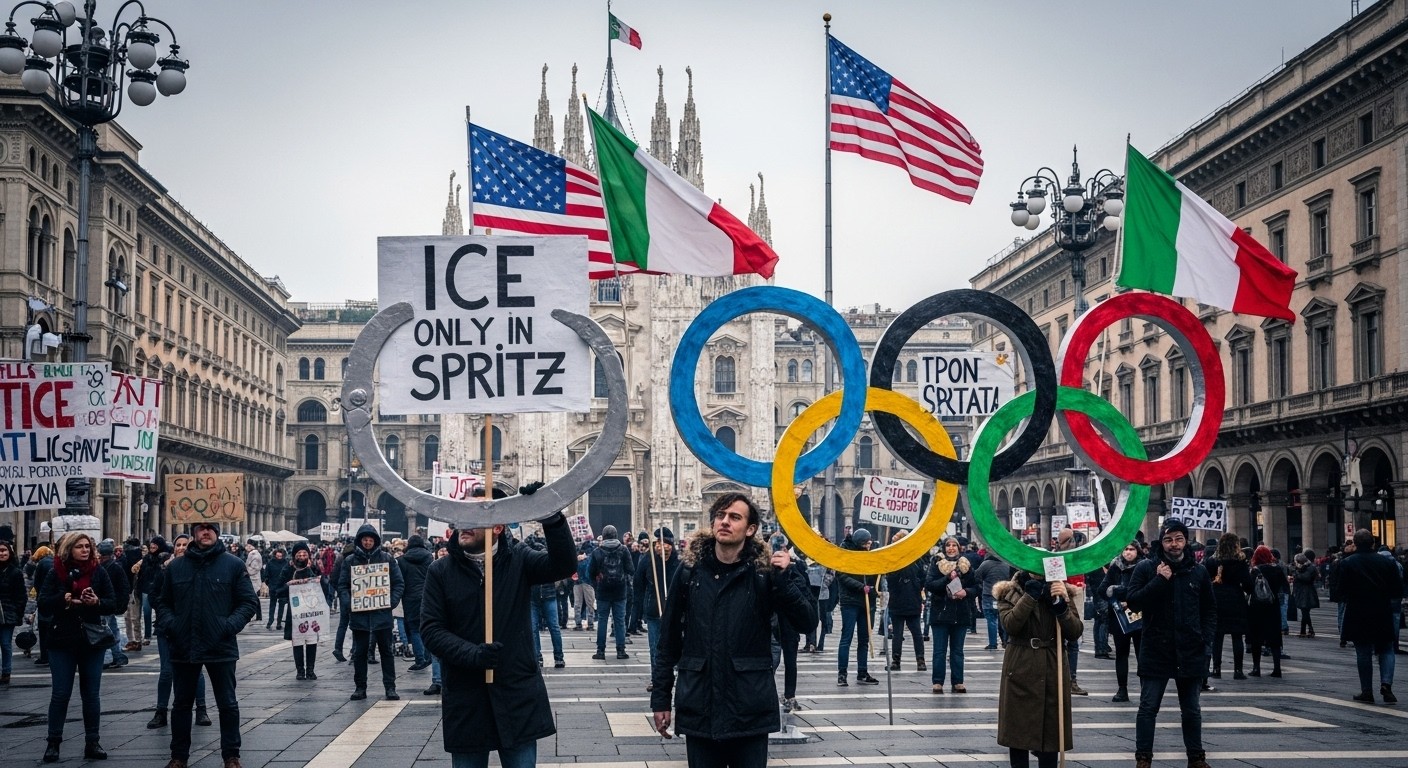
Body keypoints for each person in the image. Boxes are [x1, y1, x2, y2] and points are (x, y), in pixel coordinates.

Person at [650, 492, 816, 768]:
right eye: (720, 515)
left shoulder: (766, 573)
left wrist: (785, 580)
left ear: (750, 529)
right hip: (700, 706)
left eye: (734, 517)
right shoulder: (690, 571)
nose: (724, 522)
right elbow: (667, 642)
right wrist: (661, 699)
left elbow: (807, 622)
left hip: (748, 708)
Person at [420, 485, 578, 767]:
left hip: (516, 692)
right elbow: (431, 631)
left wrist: (550, 515)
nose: (463, 523)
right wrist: (473, 654)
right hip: (466, 696)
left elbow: (563, 565)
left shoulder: (519, 558)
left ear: (498, 526)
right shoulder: (440, 571)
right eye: (461, 513)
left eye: (475, 514)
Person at [156, 522, 258, 768]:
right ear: (193, 533)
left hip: (220, 645)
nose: (205, 532)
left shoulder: (233, 565)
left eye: (210, 528)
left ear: (217, 532)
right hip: (184, 644)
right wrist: (173, 625)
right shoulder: (176, 567)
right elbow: (162, 603)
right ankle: (178, 757)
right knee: (181, 704)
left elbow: (248, 602)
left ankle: (231, 755)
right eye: (200, 528)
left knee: (228, 704)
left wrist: (228, 626)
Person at [1125, 519, 1216, 768]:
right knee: (1148, 707)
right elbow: (1132, 602)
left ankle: (1196, 758)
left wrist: (1205, 640)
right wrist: (1159, 581)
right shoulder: (1146, 568)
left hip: (1190, 648)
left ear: (1185, 541)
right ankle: (1143, 758)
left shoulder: (1198, 571)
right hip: (1156, 648)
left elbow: (1209, 609)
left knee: (1192, 710)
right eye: (1168, 539)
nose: (1174, 544)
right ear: (1161, 542)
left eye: (1178, 539)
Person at [39, 532, 116, 763]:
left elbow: (113, 602)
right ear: (69, 549)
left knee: (91, 695)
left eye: (87, 546)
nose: (85, 550)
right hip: (61, 640)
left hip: (91, 641)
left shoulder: (99, 572)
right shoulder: (56, 572)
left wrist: (96, 602)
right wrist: (64, 598)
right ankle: (53, 742)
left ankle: (93, 741)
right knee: (60, 694)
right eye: (79, 547)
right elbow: (44, 602)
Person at [993, 571, 1082, 768]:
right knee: (1017, 732)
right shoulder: (1009, 592)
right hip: (1020, 663)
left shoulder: (1059, 591)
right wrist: (1029, 597)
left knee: (1051, 732)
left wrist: (1061, 607)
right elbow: (1010, 625)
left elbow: (1075, 631)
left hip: (1052, 663)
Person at [147, 534, 210, 730]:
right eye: (178, 545)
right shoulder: (164, 569)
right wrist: (169, 617)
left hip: (193, 628)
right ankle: (160, 711)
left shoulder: (200, 568)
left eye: (185, 544)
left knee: (196, 670)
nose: (181, 547)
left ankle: (201, 709)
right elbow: (154, 596)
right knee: (166, 671)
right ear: (173, 548)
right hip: (168, 628)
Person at [337, 523, 404, 701]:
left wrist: (391, 601)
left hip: (382, 615)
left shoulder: (387, 559)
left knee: (386, 652)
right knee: (359, 653)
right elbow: (342, 585)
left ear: (375, 541)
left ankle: (390, 687)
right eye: (365, 539)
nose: (368, 542)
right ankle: (360, 687)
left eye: (370, 539)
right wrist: (349, 603)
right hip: (359, 615)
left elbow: (399, 583)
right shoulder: (350, 560)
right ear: (360, 541)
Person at [1339, 528, 1404, 703]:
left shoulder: (1348, 563)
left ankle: (1367, 691)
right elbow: (1398, 589)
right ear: (1373, 543)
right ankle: (1386, 685)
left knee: (1363, 651)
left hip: (1358, 611)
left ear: (1355, 544)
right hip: (1382, 610)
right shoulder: (1387, 563)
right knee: (1387, 648)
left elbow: (1341, 591)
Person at [927, 535, 977, 694]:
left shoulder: (965, 565)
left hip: (960, 613)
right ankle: (937, 682)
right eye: (948, 545)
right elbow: (930, 585)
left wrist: (966, 592)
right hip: (940, 614)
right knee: (939, 651)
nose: (951, 548)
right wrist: (947, 578)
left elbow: (977, 587)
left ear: (959, 548)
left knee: (957, 651)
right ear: (944, 548)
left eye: (954, 545)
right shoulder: (936, 564)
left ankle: (958, 681)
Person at [1096, 541, 1144, 702]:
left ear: (1138, 551)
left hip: (1139, 616)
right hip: (1120, 618)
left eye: (1131, 549)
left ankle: (1146, 689)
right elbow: (1102, 590)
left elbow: (1147, 590)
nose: (1128, 552)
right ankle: (1122, 689)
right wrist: (1114, 592)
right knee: (1121, 654)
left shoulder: (1144, 566)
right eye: (1125, 549)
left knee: (1141, 654)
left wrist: (1120, 591)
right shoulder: (1115, 566)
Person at [1202, 532, 1251, 681]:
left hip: (1216, 599)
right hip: (1235, 600)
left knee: (1217, 636)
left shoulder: (1211, 561)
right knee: (1237, 636)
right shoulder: (1240, 562)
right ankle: (1238, 670)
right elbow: (1249, 585)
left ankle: (1216, 669)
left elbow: (1204, 580)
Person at [637, 525, 681, 682]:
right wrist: (637, 614)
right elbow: (638, 585)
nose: (662, 547)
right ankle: (657, 679)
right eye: (658, 543)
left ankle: (670, 675)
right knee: (655, 647)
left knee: (673, 645)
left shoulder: (678, 563)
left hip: (674, 612)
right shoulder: (648, 561)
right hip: (654, 610)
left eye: (666, 543)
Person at [836, 528, 879, 687]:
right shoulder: (846, 552)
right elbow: (841, 575)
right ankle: (842, 673)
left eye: (869, 543)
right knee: (846, 638)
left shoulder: (872, 553)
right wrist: (861, 587)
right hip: (850, 600)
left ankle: (862, 671)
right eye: (865, 543)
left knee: (864, 639)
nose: (868, 546)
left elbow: (875, 575)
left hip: (867, 601)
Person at [283, 541, 330, 680]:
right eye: (299, 554)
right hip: (295, 612)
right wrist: (289, 585)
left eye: (304, 554)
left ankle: (310, 670)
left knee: (311, 641)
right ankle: (300, 670)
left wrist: (318, 579)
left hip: (311, 611)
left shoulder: (314, 568)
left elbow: (325, 586)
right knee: (297, 641)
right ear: (294, 556)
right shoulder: (288, 570)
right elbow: (277, 589)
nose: (302, 557)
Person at [589, 525, 632, 660]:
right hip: (620, 591)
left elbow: (590, 572)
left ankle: (600, 651)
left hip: (603, 592)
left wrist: (597, 584)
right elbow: (631, 569)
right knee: (619, 621)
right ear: (616, 535)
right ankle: (621, 650)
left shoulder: (597, 552)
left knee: (602, 620)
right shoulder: (624, 550)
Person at [885, 532, 926, 672]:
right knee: (898, 633)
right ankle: (896, 660)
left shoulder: (915, 559)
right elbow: (890, 578)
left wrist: (916, 585)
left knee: (916, 632)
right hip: (897, 599)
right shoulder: (894, 559)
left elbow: (922, 577)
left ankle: (920, 659)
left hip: (912, 599)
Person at [525, 533, 566, 669]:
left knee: (538, 628)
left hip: (543, 597)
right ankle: (556, 657)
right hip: (545, 597)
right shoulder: (542, 559)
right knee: (551, 627)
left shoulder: (537, 559)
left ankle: (540, 658)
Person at [1246, 546, 1287, 678]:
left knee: (1256, 638)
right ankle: (1277, 669)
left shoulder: (1254, 570)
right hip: (1272, 605)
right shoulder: (1277, 569)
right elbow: (1284, 585)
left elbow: (1248, 588)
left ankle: (1256, 668)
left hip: (1256, 607)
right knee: (1275, 637)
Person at [398, 534, 434, 671]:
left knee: (414, 629)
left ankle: (420, 660)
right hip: (427, 596)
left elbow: (401, 581)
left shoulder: (402, 560)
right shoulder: (429, 557)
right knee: (427, 627)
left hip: (410, 598)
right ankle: (429, 655)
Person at [96, 539, 132, 670]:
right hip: (109, 604)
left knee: (106, 631)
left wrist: (120, 604)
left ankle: (109, 657)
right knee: (112, 630)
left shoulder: (111, 567)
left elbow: (123, 587)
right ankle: (117, 655)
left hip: (107, 604)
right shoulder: (111, 566)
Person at [0, 540, 26, 684]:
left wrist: (18, 612)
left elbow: (21, 595)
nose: (2, 553)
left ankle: (6, 672)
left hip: (8, 613)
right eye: (0, 550)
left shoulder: (15, 572)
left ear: (9, 553)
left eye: (4, 550)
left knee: (5, 643)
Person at [975, 552, 1013, 651]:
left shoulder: (986, 564)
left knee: (991, 620)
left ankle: (993, 643)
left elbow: (976, 576)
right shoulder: (1007, 564)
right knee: (1003, 619)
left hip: (989, 595)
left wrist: (981, 587)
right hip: (1004, 596)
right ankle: (1005, 641)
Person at [262, 547, 291, 631]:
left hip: (282, 587)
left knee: (279, 605)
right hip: (275, 587)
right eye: (278, 555)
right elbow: (266, 575)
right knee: (273, 605)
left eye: (280, 555)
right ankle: (271, 621)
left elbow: (288, 574)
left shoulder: (285, 563)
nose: (279, 557)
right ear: (275, 555)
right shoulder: (272, 563)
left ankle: (277, 622)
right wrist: (269, 584)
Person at [244, 543, 264, 624]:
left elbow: (255, 568)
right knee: (254, 598)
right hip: (252, 578)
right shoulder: (251, 554)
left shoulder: (254, 555)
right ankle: (258, 615)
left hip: (253, 579)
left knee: (252, 598)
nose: (247, 547)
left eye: (249, 545)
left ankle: (254, 615)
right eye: (247, 545)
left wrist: (246, 571)